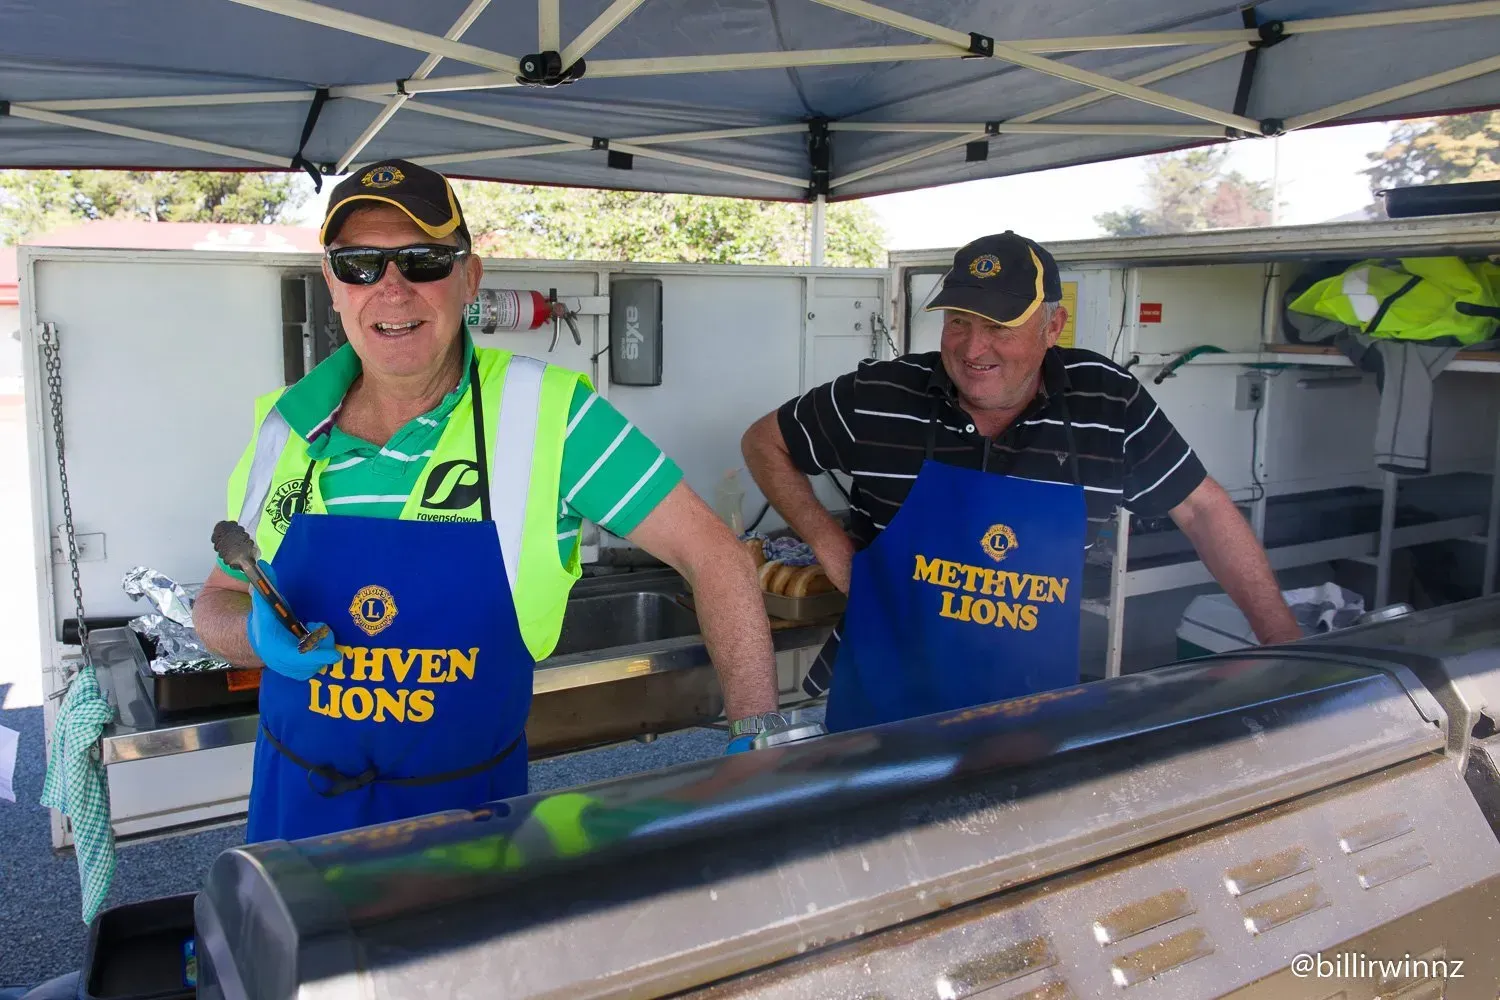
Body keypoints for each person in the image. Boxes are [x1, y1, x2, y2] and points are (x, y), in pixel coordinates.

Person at [195, 160, 787, 843]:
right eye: (359, 263)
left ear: (469, 279)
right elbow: (217, 601)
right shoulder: (285, 426)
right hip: (296, 811)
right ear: (332, 284)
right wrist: (255, 637)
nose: (392, 288)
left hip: (468, 823)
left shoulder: (550, 414)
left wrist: (758, 738)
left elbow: (717, 555)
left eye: (423, 261)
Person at [742, 231, 1302, 733]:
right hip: (886, 705)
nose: (971, 347)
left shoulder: (1105, 402)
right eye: (958, 320)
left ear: (1051, 326)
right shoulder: (881, 397)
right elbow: (763, 443)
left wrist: (1284, 645)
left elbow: (1203, 510)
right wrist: (825, 539)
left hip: (1031, 712)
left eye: (998, 326)